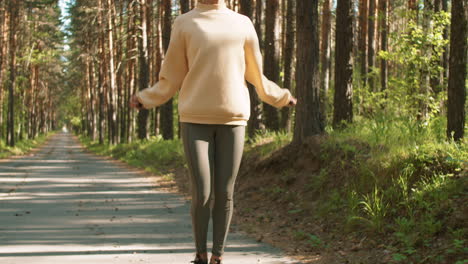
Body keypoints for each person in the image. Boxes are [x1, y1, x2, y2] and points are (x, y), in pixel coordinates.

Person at [130, 0, 297, 263]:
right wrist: (147, 98)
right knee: (203, 191)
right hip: (195, 118)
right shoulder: (185, 22)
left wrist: (280, 97)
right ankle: (200, 254)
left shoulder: (243, 23)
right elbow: (172, 75)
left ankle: (217, 255)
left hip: (233, 119)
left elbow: (256, 74)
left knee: (225, 191)